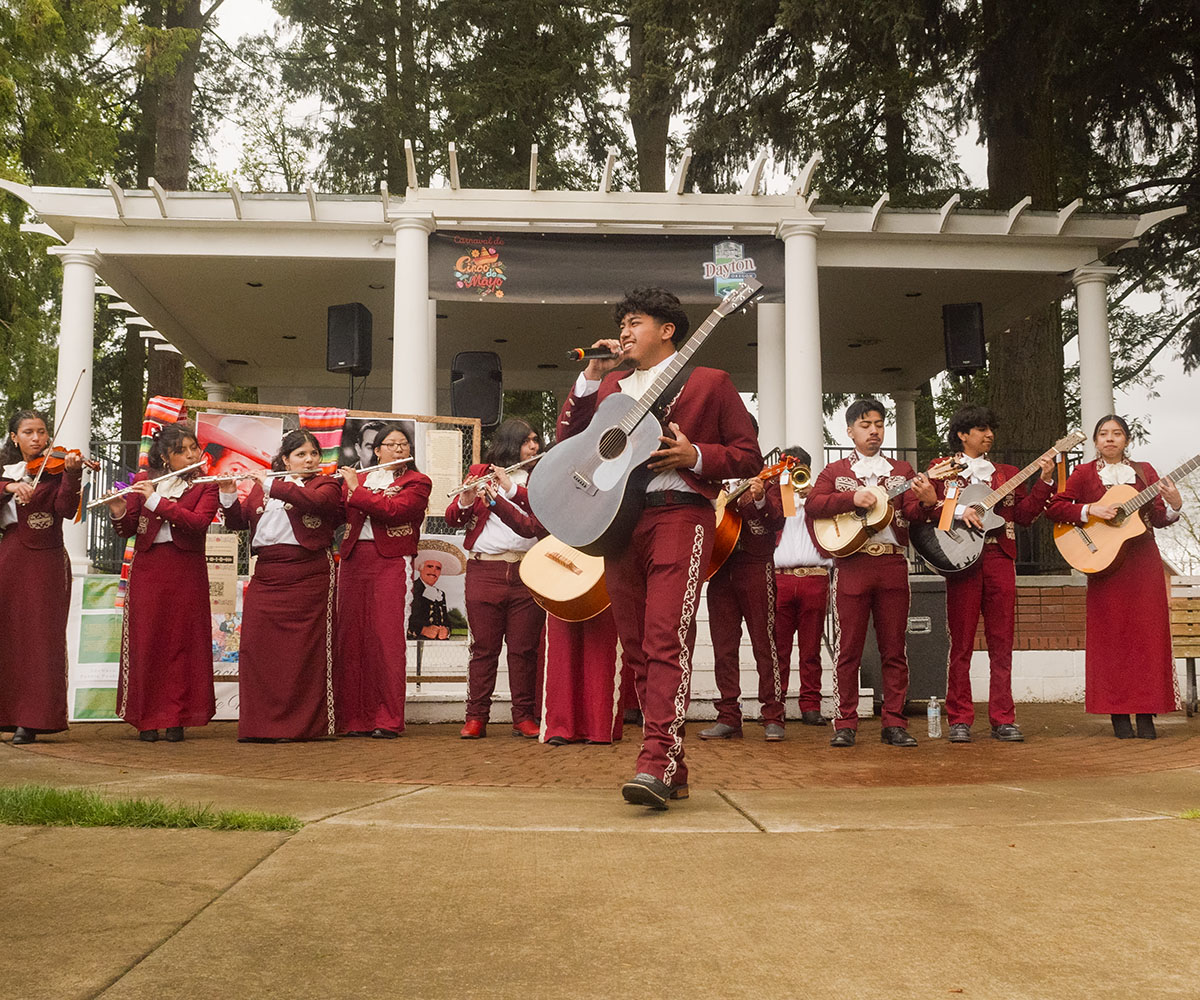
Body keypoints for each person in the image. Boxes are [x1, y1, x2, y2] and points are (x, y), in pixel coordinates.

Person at [556, 286, 761, 808]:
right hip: (617, 522)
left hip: (680, 514)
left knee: (665, 636)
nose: (624, 332)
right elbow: (569, 441)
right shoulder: (611, 386)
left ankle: (654, 763)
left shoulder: (710, 381)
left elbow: (748, 456)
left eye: (635, 322)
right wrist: (591, 378)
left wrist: (697, 455)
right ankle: (673, 766)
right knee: (637, 646)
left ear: (667, 330)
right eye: (622, 323)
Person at [804, 398, 937, 748]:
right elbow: (814, 505)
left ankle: (894, 722)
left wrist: (927, 500)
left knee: (894, 648)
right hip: (852, 563)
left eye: (879, 424)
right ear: (850, 431)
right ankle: (845, 723)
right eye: (865, 425)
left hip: (892, 563)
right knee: (848, 648)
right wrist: (852, 499)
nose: (874, 431)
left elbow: (915, 513)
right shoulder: (835, 471)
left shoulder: (902, 470)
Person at [1045, 415, 1182, 739]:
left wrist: (1175, 505)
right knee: (1111, 639)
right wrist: (1090, 509)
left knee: (1148, 637)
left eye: (1117, 433)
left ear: (1126, 440)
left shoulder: (1144, 472)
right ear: (1095, 441)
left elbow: (1158, 517)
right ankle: (1118, 714)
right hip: (1105, 563)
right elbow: (1055, 508)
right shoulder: (1084, 473)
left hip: (1143, 561)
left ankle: (1147, 714)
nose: (1110, 438)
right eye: (1104, 434)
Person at [930, 406, 1055, 744]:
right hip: (961, 559)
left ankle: (1003, 718)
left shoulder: (1008, 473)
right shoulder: (943, 469)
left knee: (1002, 643)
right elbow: (929, 510)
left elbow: (1024, 516)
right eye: (981, 429)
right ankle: (959, 718)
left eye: (990, 429)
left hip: (1000, 556)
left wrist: (1044, 482)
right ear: (962, 434)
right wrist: (960, 510)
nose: (989, 435)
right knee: (961, 643)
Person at [219, 429, 344, 742]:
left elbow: (315, 503)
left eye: (313, 454)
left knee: (302, 653)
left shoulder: (326, 484)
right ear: (285, 459)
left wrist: (271, 484)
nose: (309, 460)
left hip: (309, 574)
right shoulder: (263, 487)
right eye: (301, 454)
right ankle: (259, 726)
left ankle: (300, 727)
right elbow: (239, 522)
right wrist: (228, 494)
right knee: (257, 648)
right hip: (267, 575)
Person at [102, 422, 219, 742]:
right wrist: (117, 510)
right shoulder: (143, 481)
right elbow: (128, 529)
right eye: (182, 450)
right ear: (166, 457)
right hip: (149, 569)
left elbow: (197, 523)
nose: (192, 454)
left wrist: (156, 501)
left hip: (186, 569)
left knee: (182, 641)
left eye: (194, 448)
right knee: (148, 641)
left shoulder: (206, 485)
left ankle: (177, 717)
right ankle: (147, 718)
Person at [445, 418, 546, 739]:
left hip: (527, 570)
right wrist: (466, 499)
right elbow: (453, 519)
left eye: (536, 440)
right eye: (527, 441)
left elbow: (534, 525)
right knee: (484, 649)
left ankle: (523, 716)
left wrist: (504, 493)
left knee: (524, 649)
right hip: (484, 570)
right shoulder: (479, 472)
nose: (534, 446)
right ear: (510, 444)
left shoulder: (540, 477)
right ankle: (476, 717)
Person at [335, 423, 431, 739]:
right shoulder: (360, 478)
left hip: (391, 560)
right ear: (376, 451)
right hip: (353, 561)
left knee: (387, 638)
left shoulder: (417, 482)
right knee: (352, 638)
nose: (399, 448)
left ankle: (387, 718)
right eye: (391, 444)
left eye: (403, 444)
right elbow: (335, 512)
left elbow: (393, 511)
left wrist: (355, 489)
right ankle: (353, 719)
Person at [0, 410, 83, 745]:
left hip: (47, 560)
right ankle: (5, 714)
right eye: (28, 432)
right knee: (7, 633)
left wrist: (73, 475)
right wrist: (9, 486)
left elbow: (66, 509)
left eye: (42, 431)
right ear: (14, 437)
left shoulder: (56, 469)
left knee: (40, 637)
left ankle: (33, 719)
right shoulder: (5, 470)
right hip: (10, 556)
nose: (37, 438)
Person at [700, 464, 787, 741]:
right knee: (723, 646)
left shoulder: (779, 476)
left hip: (756, 565)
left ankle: (773, 715)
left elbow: (781, 520)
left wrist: (761, 499)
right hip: (720, 566)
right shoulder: (711, 477)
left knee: (765, 642)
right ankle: (728, 717)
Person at [772, 445, 833, 728]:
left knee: (811, 650)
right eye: (786, 468)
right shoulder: (775, 499)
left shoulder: (820, 498)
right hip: (781, 577)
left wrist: (813, 496)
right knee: (779, 649)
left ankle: (811, 706)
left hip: (814, 577)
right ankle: (776, 706)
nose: (792, 473)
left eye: (797, 468)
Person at [408, 556, 451, 639]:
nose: (433, 571)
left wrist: (446, 630)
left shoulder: (441, 594)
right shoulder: (410, 589)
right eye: (430, 566)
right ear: (420, 568)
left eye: (438, 568)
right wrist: (422, 630)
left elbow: (446, 621)